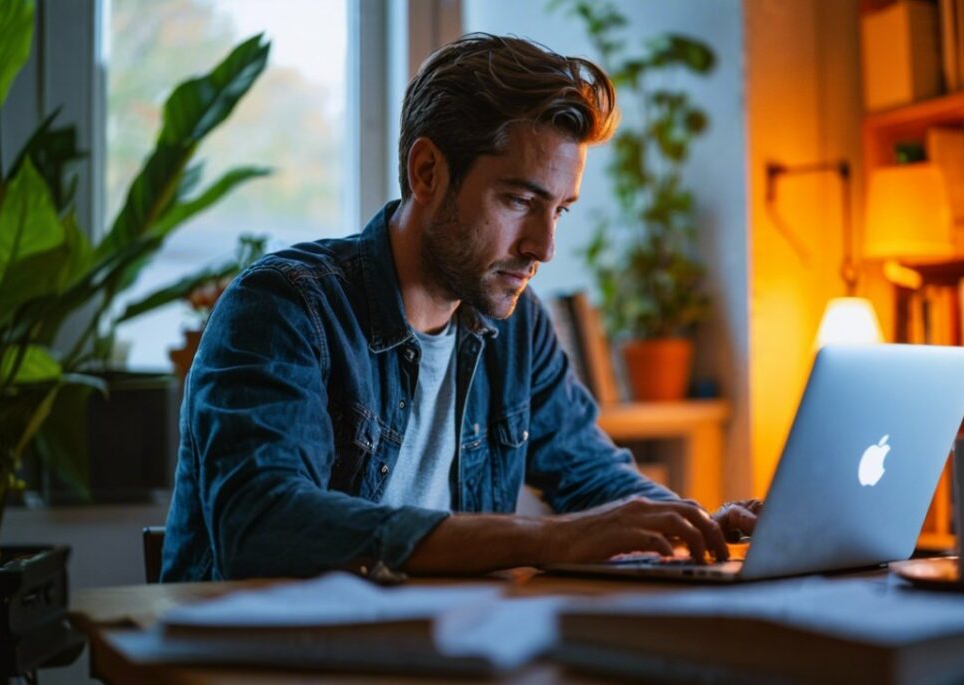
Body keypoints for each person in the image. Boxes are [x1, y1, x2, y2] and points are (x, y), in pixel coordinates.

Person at [160, 33, 759, 582]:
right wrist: (546, 540)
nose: (543, 247)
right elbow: (265, 528)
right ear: (427, 173)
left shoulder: (519, 328)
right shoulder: (284, 309)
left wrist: (695, 524)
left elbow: (593, 480)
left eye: (560, 210)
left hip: (435, 653)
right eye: (520, 199)